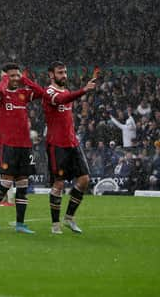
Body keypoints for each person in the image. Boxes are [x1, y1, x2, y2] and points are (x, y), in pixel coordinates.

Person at [0, 63, 44, 234]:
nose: (15, 79)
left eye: (16, 75)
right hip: (8, 146)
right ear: (4, 77)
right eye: (11, 76)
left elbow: (41, 93)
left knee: (22, 186)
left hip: (25, 146)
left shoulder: (23, 94)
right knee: (5, 184)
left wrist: (24, 78)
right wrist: (5, 78)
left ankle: (20, 224)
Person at [43, 61, 96, 234]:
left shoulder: (66, 91)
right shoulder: (49, 92)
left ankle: (69, 218)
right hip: (57, 145)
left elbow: (66, 101)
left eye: (65, 72)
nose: (64, 75)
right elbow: (61, 100)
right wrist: (83, 90)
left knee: (84, 180)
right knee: (58, 184)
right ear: (52, 75)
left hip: (73, 142)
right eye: (60, 72)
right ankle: (55, 224)